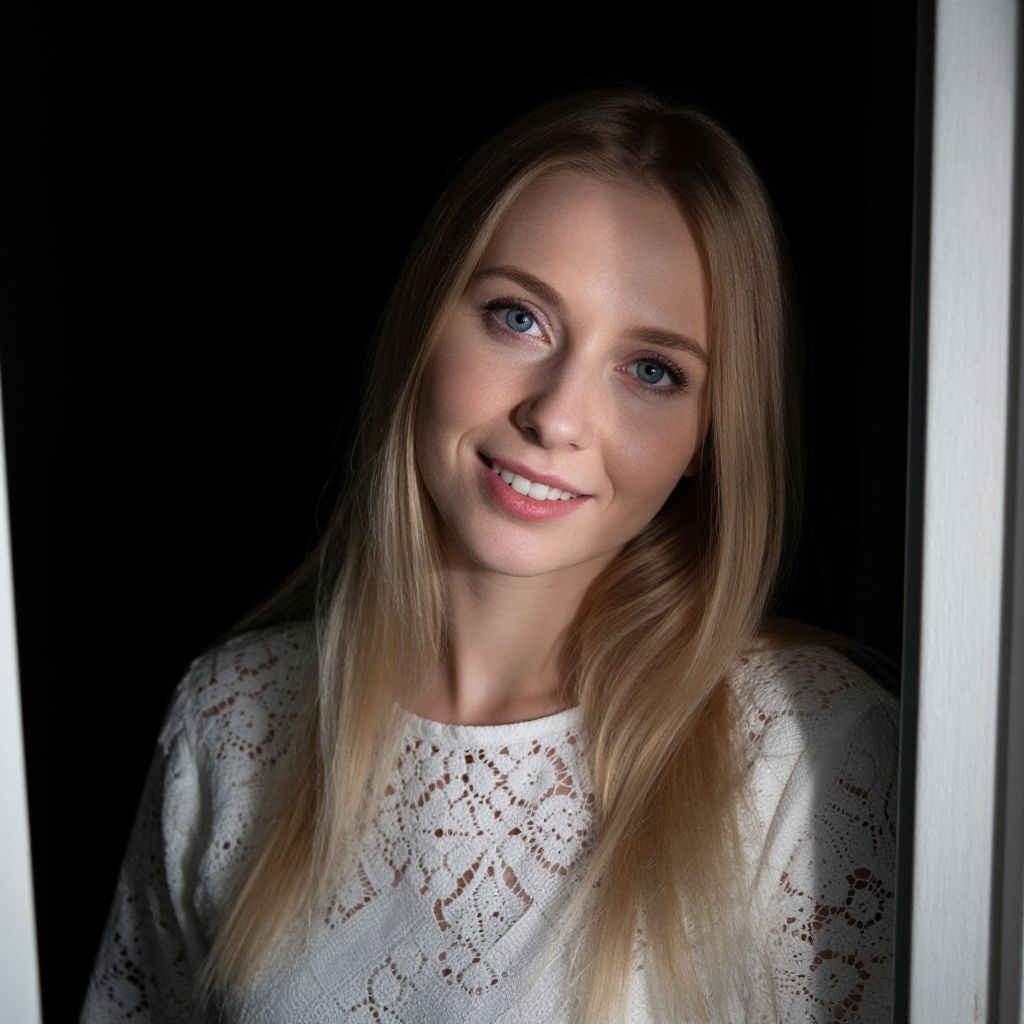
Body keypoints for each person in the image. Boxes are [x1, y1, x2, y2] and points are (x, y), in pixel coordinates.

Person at [80, 84, 900, 1023]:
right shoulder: (230, 718)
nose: (556, 417)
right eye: (519, 317)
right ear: (424, 323)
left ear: (709, 439)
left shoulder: (811, 754)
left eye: (652, 370)